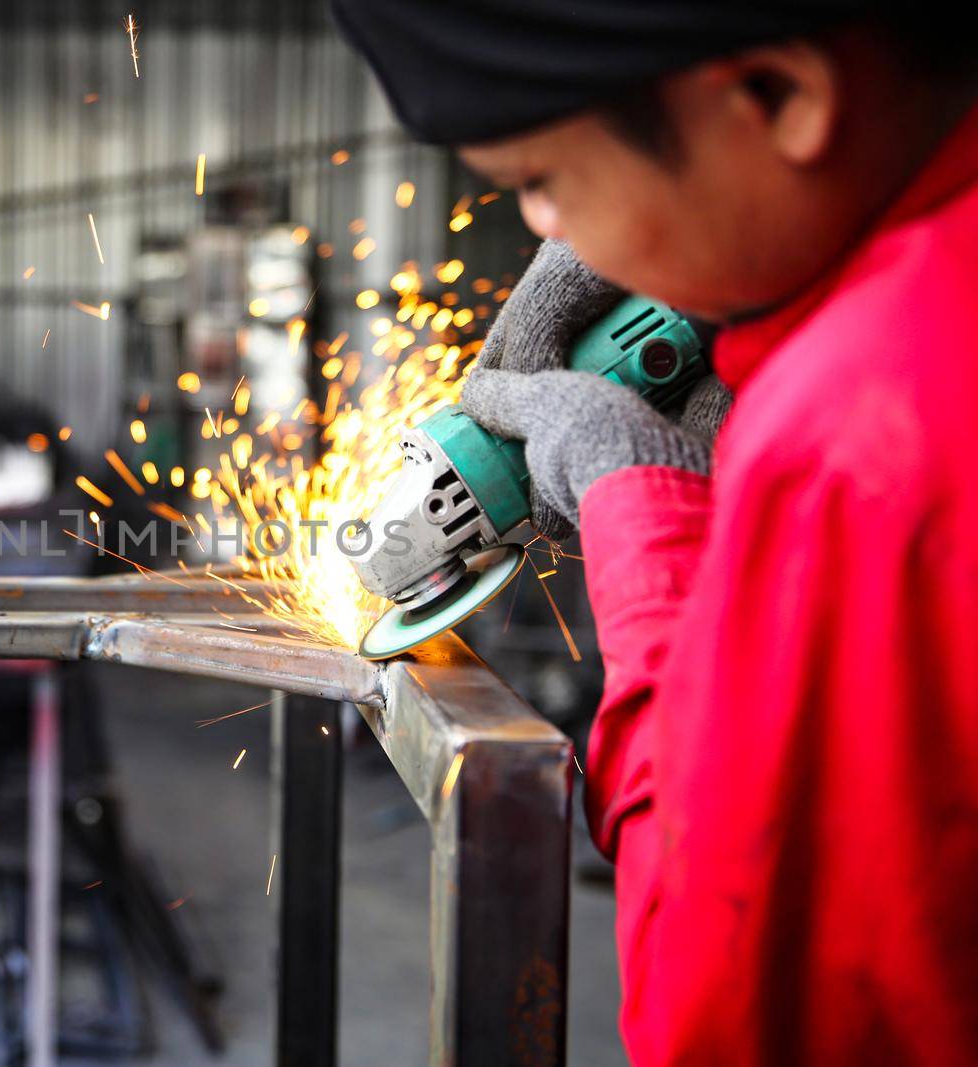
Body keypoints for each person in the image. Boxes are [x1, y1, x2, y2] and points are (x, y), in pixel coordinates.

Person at [334, 2, 978, 1063]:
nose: (546, 229)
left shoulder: (856, 433)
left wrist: (644, 510)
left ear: (779, 96)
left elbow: (718, 999)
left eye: (541, 178)